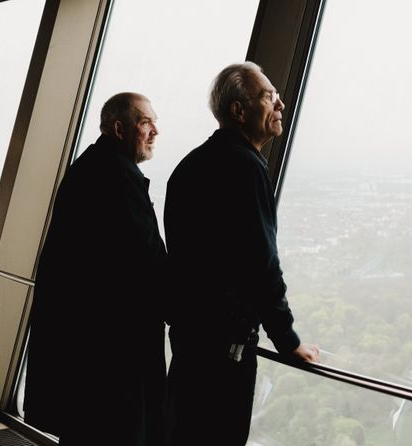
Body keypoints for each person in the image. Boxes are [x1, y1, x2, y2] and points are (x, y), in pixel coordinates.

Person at [164, 62, 321, 446]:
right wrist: (288, 340)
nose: (281, 104)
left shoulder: (188, 167)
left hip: (190, 341)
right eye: (269, 97)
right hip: (224, 351)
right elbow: (261, 264)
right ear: (239, 110)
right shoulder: (246, 170)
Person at [24, 92, 167, 446]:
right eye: (146, 122)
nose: (155, 132)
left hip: (85, 351)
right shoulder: (116, 177)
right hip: (111, 354)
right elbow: (143, 258)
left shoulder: (91, 167)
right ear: (120, 129)